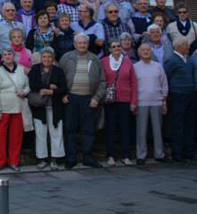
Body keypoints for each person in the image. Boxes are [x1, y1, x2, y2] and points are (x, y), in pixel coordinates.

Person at [59, 34, 106, 169]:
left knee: (88, 130)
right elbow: (59, 77)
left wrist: (97, 98)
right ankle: (71, 158)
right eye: (79, 43)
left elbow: (103, 81)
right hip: (71, 98)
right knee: (70, 130)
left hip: (88, 99)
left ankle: (88, 157)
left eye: (84, 43)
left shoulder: (95, 59)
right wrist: (63, 95)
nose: (82, 45)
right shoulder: (66, 58)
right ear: (75, 44)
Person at [27, 47, 66, 170]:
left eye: (49, 57)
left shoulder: (58, 71)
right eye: (44, 56)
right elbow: (32, 84)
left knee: (56, 132)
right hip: (40, 107)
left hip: (54, 106)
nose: (46, 59)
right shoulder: (35, 69)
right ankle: (42, 158)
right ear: (41, 58)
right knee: (40, 133)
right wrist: (48, 86)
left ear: (53, 58)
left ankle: (55, 158)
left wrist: (51, 92)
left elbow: (63, 88)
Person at [101, 38, 137, 166]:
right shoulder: (104, 62)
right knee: (110, 128)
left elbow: (133, 82)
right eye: (114, 46)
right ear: (110, 49)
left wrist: (134, 101)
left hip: (125, 99)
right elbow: (101, 80)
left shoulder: (127, 62)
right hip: (110, 100)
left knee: (125, 128)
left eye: (118, 46)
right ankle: (111, 155)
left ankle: (125, 155)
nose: (116, 48)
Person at [0, 48, 29, 172]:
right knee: (1, 136)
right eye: (5, 54)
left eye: (10, 54)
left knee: (16, 136)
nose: (8, 56)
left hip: (18, 107)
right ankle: (0, 162)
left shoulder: (21, 69)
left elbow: (28, 86)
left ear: (14, 56)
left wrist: (24, 92)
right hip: (3, 107)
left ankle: (14, 161)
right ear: (2, 57)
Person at [134, 43, 168, 164]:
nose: (146, 52)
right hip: (141, 102)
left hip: (157, 101)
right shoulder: (135, 67)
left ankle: (159, 153)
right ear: (139, 52)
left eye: (148, 50)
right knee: (141, 130)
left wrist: (164, 101)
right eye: (143, 50)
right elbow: (133, 86)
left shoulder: (158, 66)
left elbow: (164, 84)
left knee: (158, 129)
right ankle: (141, 155)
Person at [164, 37, 196, 162]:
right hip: (177, 95)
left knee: (189, 124)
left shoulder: (187, 60)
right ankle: (177, 153)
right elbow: (166, 77)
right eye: (185, 45)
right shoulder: (172, 60)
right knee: (177, 125)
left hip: (189, 95)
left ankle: (189, 151)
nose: (188, 47)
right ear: (178, 47)